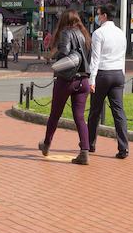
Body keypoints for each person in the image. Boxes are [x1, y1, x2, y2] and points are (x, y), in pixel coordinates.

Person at [38, 9, 92, 165]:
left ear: (64, 20)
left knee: (55, 114)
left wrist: (56, 59)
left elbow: (65, 54)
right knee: (80, 117)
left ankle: (46, 144)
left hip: (67, 80)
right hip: (83, 80)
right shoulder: (85, 35)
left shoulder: (66, 33)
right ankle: (84, 151)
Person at [86, 4, 129, 159]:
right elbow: (123, 56)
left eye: (98, 14)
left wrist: (92, 80)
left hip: (103, 74)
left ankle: (90, 144)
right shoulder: (121, 33)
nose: (97, 17)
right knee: (119, 112)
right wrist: (122, 75)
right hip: (118, 74)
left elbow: (95, 59)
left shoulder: (98, 33)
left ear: (104, 15)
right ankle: (123, 148)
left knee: (95, 112)